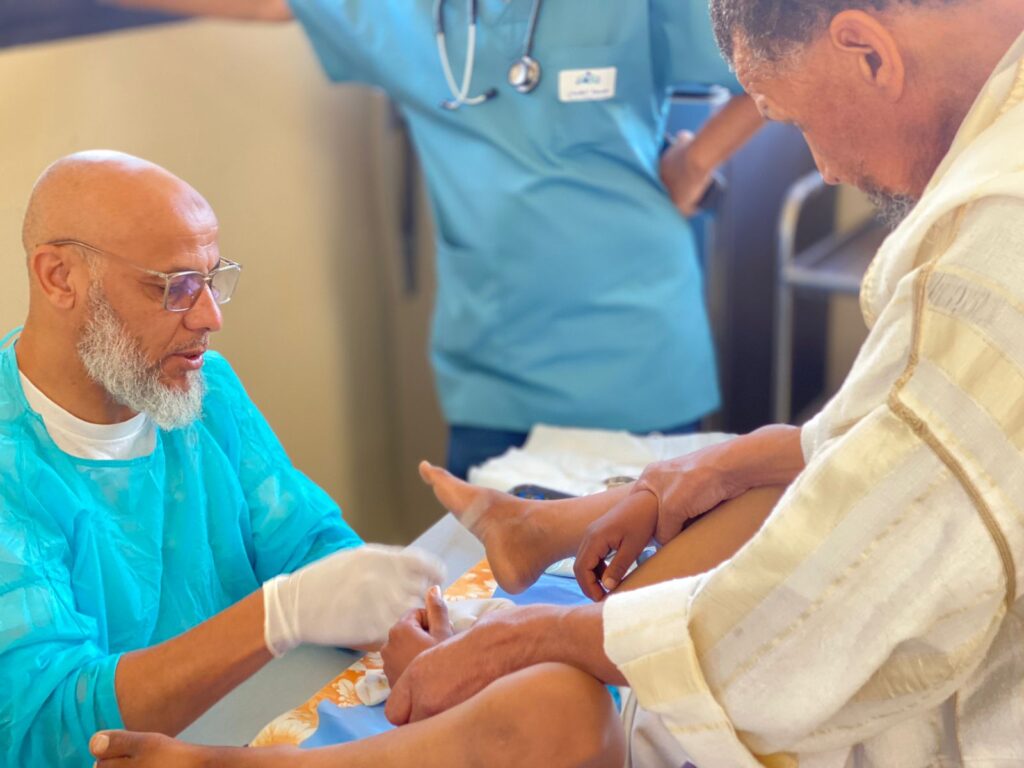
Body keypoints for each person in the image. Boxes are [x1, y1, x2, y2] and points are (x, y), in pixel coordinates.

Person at [91, 0, 1024, 765]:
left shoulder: (985, 252)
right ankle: (540, 534)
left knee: (557, 701)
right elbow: (863, 460)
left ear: (869, 49)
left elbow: (783, 628)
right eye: (174, 285)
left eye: (800, 121)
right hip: (499, 355)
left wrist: (520, 638)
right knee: (737, 494)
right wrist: (730, 463)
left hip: (643, 380)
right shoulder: (413, 20)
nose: (822, 167)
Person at [104, 0, 765, 478]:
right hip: (498, 365)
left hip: (640, 351)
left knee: (643, 585)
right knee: (493, 588)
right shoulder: (408, 14)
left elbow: (766, 61)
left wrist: (695, 163)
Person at [0, 150, 446, 767]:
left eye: (213, 279)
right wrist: (279, 615)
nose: (210, 317)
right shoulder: (14, 467)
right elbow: (53, 726)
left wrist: (391, 617)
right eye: (175, 287)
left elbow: (308, 542)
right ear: (59, 278)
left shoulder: (202, 390)